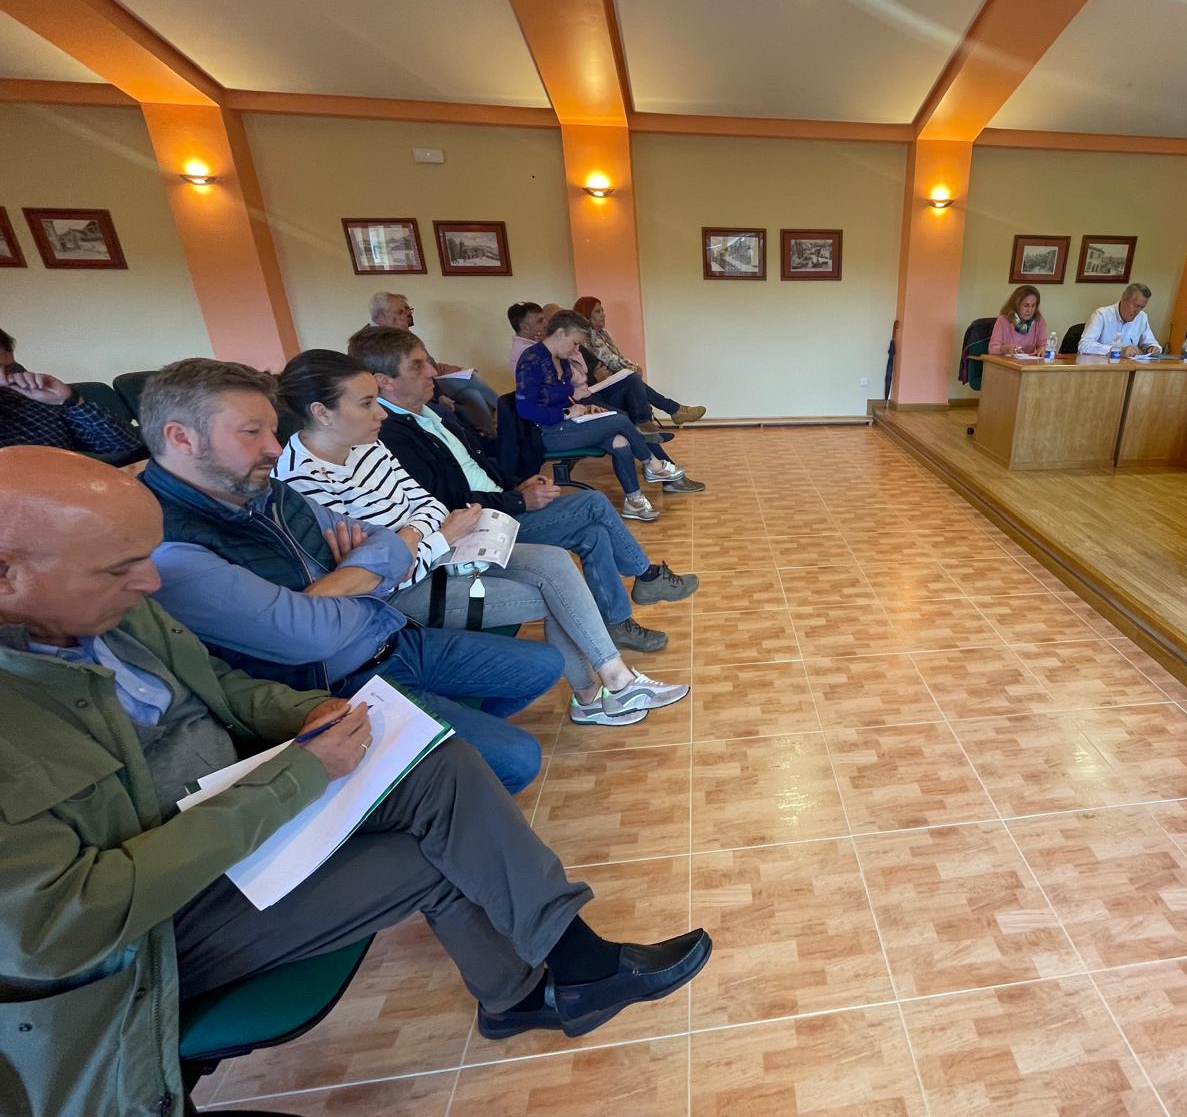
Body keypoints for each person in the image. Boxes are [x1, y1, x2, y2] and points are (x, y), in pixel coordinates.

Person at [0, 447, 711, 1117]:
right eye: (119, 569)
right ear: (8, 574)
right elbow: (62, 927)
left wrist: (303, 710)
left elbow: (217, 683)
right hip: (156, 927)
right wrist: (291, 782)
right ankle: (529, 989)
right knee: (429, 852)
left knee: (435, 759)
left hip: (233, 813)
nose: (150, 581)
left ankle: (571, 960)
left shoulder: (109, 609)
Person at [133, 358, 558, 794]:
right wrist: (370, 577)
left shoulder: (263, 489)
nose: (275, 448)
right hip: (335, 684)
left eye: (272, 430)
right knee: (516, 757)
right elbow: (311, 638)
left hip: (393, 639)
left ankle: (438, 746)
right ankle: (434, 772)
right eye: (250, 432)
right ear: (181, 438)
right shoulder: (170, 546)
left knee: (544, 664)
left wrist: (363, 566)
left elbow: (384, 540)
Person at [274, 351, 688, 727]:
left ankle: (612, 683)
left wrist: (414, 535)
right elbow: (373, 578)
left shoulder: (366, 445)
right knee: (558, 593)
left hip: (442, 552)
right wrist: (431, 537)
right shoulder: (303, 483)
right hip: (402, 593)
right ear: (321, 413)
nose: (379, 413)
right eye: (366, 404)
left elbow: (429, 506)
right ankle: (598, 693)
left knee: (556, 561)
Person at [349, 325, 694, 653]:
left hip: (499, 502)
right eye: (418, 365)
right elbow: (445, 502)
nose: (431, 372)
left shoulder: (432, 414)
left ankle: (617, 622)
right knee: (593, 503)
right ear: (384, 381)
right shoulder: (392, 434)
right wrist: (519, 499)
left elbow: (479, 465)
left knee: (594, 533)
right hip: (476, 527)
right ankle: (646, 575)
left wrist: (518, 484)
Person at [516, 310, 687, 522]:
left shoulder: (561, 360)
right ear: (560, 333)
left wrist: (586, 409)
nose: (575, 350)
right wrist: (568, 412)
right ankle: (653, 464)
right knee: (620, 419)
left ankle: (634, 501)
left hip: (568, 425)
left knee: (620, 441)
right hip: (547, 433)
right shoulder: (531, 359)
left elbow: (564, 398)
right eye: (575, 343)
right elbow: (526, 409)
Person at [368, 291, 499, 436]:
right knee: (472, 380)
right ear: (381, 316)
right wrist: (439, 395)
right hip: (404, 397)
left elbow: (429, 364)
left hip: (430, 386)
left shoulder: (404, 335)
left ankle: (493, 434)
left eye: (407, 311)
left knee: (473, 394)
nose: (406, 316)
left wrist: (446, 371)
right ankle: (505, 410)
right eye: (400, 312)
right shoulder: (370, 342)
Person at [0, 326, 142, 458]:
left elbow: (127, 447)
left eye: (7, 369)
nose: (4, 379)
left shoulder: (31, 400)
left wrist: (71, 400)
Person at [574, 295, 707, 427]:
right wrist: (632, 369)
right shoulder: (585, 338)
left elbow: (618, 357)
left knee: (634, 382)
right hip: (598, 391)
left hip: (612, 382)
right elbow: (609, 361)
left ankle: (672, 412)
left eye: (603, 310)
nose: (603, 314)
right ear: (586, 315)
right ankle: (673, 410)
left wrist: (633, 366)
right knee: (633, 379)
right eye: (598, 311)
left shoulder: (604, 334)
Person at [1080, 283, 1162, 357]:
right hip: (1100, 369)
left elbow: (1151, 342)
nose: (1138, 311)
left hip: (1128, 368)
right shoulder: (1101, 315)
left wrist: (1152, 348)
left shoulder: (1142, 317)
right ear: (1123, 299)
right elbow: (1084, 345)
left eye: (1142, 307)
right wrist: (1117, 351)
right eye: (1136, 305)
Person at [986, 286, 1048, 357]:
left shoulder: (1039, 321)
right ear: (1017, 305)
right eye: (1026, 305)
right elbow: (992, 349)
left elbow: (1044, 345)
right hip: (1006, 364)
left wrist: (1043, 348)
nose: (1029, 310)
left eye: (1033, 306)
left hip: (1027, 365)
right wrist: (1005, 348)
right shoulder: (1003, 320)